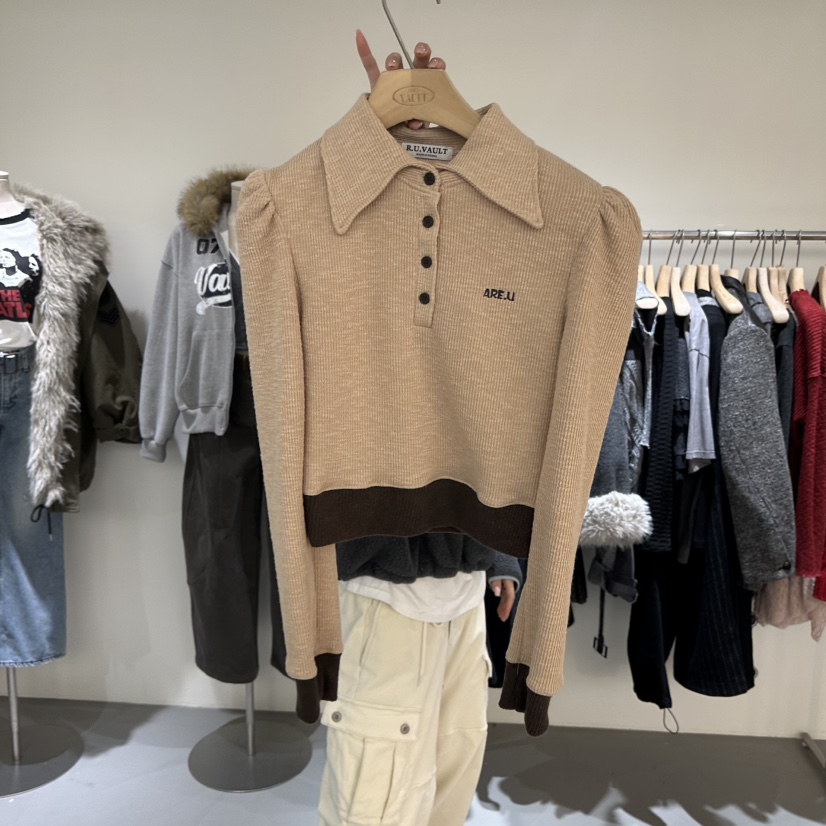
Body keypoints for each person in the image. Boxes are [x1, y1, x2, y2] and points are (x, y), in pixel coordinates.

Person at [315, 33, 519, 826]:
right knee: (376, 803)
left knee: (447, 793)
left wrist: (502, 550)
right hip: (382, 589)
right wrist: (371, 141)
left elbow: (498, 405)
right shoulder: (343, 244)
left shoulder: (483, 245)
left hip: (464, 595)